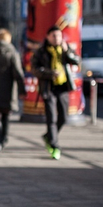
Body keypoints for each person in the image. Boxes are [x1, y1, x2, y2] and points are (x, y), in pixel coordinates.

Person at [31, 25, 80, 160]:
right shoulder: (41, 52)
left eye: (59, 35)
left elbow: (76, 61)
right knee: (51, 117)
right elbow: (34, 69)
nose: (57, 38)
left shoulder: (65, 49)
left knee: (63, 117)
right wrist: (49, 73)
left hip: (63, 87)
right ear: (48, 37)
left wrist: (67, 52)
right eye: (54, 36)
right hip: (48, 88)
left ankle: (48, 136)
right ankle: (54, 145)